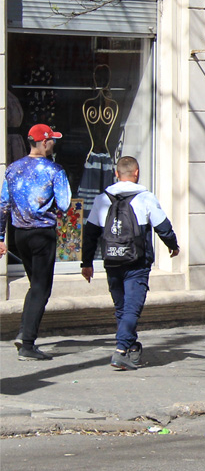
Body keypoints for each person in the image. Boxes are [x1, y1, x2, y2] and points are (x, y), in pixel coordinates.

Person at [81, 156, 180, 371]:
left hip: (112, 261)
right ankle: (120, 351)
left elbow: (89, 233)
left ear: (116, 174)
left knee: (122, 308)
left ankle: (131, 346)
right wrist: (173, 245)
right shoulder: (145, 198)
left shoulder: (102, 199)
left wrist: (86, 263)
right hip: (137, 263)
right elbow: (162, 226)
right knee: (132, 309)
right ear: (136, 173)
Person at [1, 124, 73, 360]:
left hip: (20, 235)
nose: (54, 143)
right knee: (42, 288)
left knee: (35, 285)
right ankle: (27, 342)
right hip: (42, 234)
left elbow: (3, 205)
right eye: (52, 140)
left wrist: (1, 237)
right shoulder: (54, 170)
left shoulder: (12, 169)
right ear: (44, 143)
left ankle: (25, 331)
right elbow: (64, 203)